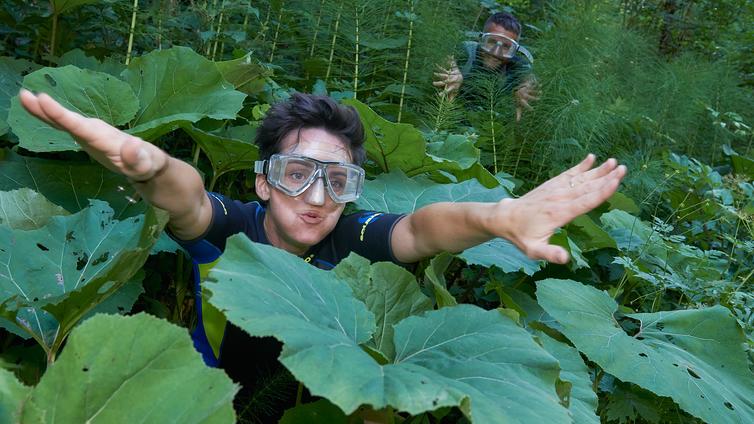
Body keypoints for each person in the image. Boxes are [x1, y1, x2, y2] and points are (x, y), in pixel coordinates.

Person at [18, 89, 625, 417]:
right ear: (262, 181)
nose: (316, 197)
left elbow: (420, 230)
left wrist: (495, 216)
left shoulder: (348, 236)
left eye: (339, 182)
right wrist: (154, 167)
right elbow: (188, 200)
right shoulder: (234, 226)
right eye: (297, 174)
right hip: (208, 401)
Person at [434, 12, 538, 120]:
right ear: (481, 39)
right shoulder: (467, 52)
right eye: (492, 41)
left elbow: (529, 76)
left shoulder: (517, 65)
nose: (496, 52)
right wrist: (452, 71)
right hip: (451, 122)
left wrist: (526, 87)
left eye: (506, 46)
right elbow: (447, 57)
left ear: (514, 50)